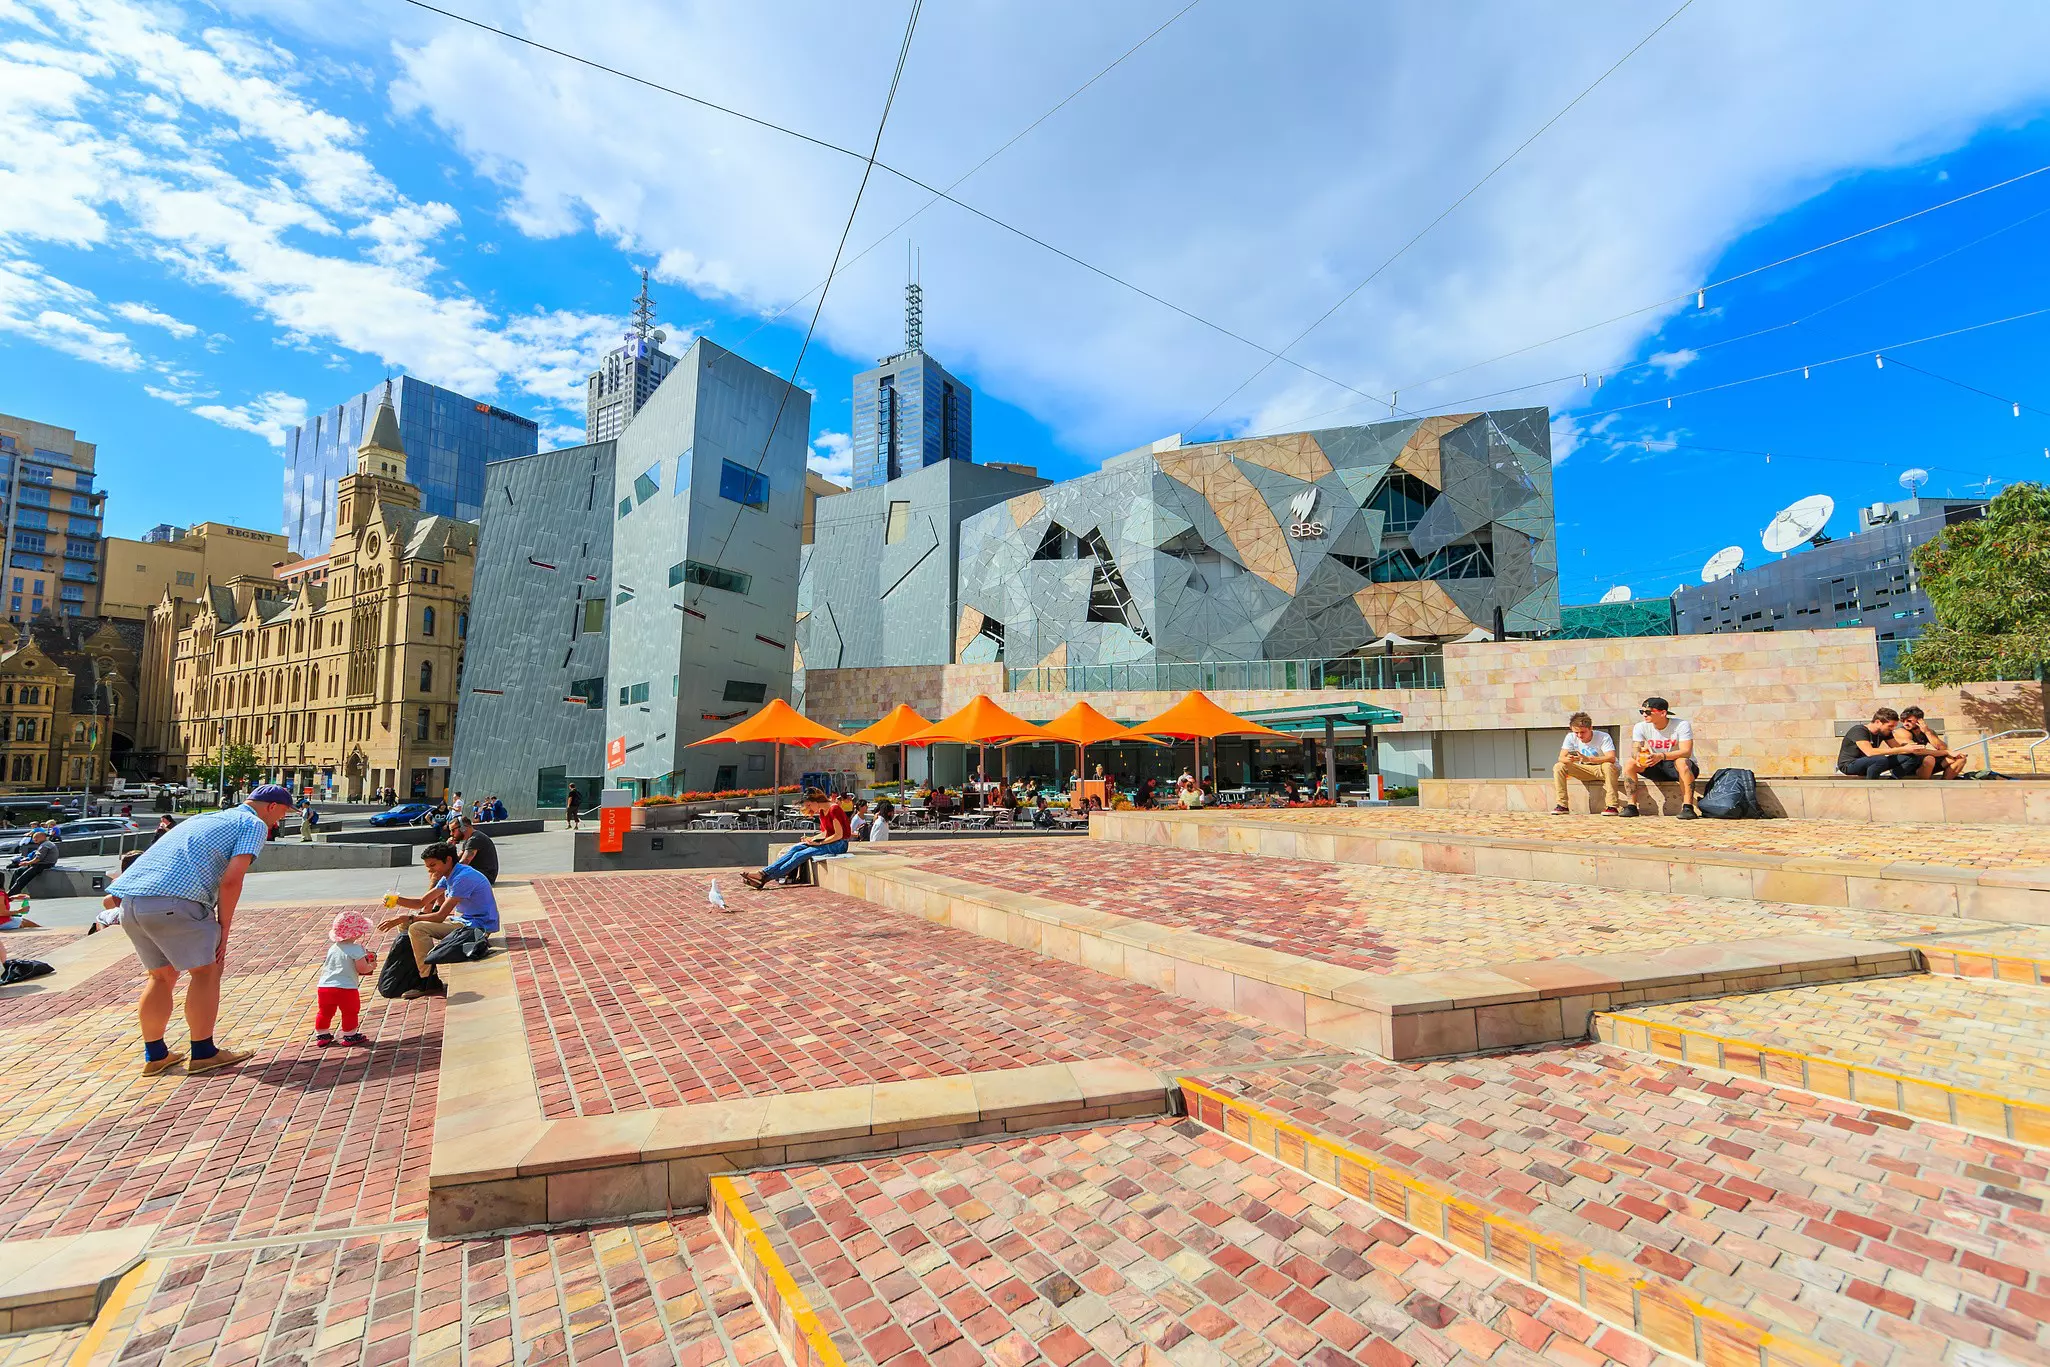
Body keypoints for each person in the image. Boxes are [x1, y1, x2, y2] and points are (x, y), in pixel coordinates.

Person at [108, 782, 295, 1075]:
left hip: (132, 903)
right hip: (175, 903)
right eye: (283, 811)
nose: (282, 818)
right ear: (271, 807)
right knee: (206, 971)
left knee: (161, 976)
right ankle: (204, 1052)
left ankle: (156, 1055)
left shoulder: (202, 818)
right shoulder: (253, 824)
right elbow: (232, 881)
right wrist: (224, 929)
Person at [379, 841, 501, 1000]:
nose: (430, 870)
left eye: (433, 865)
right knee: (406, 924)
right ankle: (414, 969)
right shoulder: (449, 874)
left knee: (416, 928)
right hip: (464, 921)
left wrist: (410, 917)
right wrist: (396, 900)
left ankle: (429, 980)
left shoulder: (463, 877)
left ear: (448, 860)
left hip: (477, 927)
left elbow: (440, 916)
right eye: (427, 866)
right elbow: (421, 902)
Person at [741, 789, 850, 889]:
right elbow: (826, 832)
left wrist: (820, 843)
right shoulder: (822, 811)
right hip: (830, 842)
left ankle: (764, 876)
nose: (810, 808)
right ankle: (763, 875)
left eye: (809, 805)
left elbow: (839, 835)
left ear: (816, 801)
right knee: (795, 849)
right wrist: (812, 839)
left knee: (799, 855)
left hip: (840, 844)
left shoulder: (834, 809)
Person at [1620, 697, 1700, 819]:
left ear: (1663, 713)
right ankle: (1631, 806)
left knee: (1681, 762)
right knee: (1630, 763)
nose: (1644, 715)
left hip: (1681, 767)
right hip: (1658, 765)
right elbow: (1635, 748)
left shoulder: (1681, 725)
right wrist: (1639, 756)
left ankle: (1688, 807)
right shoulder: (1640, 727)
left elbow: (1686, 752)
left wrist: (1661, 756)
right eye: (1642, 712)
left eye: (1648, 712)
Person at [314, 910, 376, 1047]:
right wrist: (371, 965)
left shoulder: (333, 948)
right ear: (358, 932)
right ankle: (350, 1035)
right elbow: (362, 968)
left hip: (324, 987)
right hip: (346, 988)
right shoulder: (356, 949)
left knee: (324, 1012)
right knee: (350, 1012)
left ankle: (322, 1034)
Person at [1552, 712, 1621, 815]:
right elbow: (1561, 757)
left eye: (1583, 732)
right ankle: (1562, 805)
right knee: (1559, 766)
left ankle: (1612, 806)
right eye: (1576, 732)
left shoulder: (1603, 737)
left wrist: (1588, 759)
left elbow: (1611, 758)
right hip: (1584, 769)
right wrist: (1569, 759)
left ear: (1590, 728)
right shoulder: (1570, 737)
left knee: (1608, 766)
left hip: (1603, 770)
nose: (1579, 735)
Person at [1837, 707, 1924, 778]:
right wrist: (1902, 749)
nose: (1892, 729)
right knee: (1880, 759)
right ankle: (1872, 785)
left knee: (1911, 757)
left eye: (1894, 726)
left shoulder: (1885, 732)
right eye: (1890, 726)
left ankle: (1893, 780)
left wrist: (1911, 748)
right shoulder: (1859, 730)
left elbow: (1896, 748)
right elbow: (1870, 752)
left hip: (1872, 762)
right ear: (1878, 722)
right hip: (1849, 765)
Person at [1900, 706, 1969, 779]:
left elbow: (1942, 748)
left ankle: (1944, 783)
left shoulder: (1928, 731)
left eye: (1909, 721)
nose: (1905, 724)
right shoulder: (1901, 732)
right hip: (1908, 766)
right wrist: (1947, 752)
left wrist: (1927, 732)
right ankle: (1925, 785)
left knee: (1961, 758)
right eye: (1903, 721)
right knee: (1929, 759)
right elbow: (1917, 751)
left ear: (1920, 721)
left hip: (1925, 765)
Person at [89, 851, 145, 935]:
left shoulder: (118, 882)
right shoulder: (153, 878)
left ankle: (104, 936)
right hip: (153, 912)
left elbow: (117, 904)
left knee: (102, 916)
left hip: (129, 915)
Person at [4, 826, 58, 901]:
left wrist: (27, 863)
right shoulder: (44, 844)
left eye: (36, 837)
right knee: (18, 871)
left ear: (42, 837)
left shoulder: (45, 845)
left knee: (23, 878)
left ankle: (10, 895)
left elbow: (38, 858)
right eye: (33, 838)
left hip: (43, 865)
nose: (34, 839)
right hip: (39, 864)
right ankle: (11, 890)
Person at [452, 815, 499, 884]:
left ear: (463, 828)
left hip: (485, 876)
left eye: (453, 830)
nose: (451, 833)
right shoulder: (469, 839)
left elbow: (464, 862)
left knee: (441, 876)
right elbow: (457, 859)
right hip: (480, 874)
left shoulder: (475, 839)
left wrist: (447, 872)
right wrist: (450, 848)